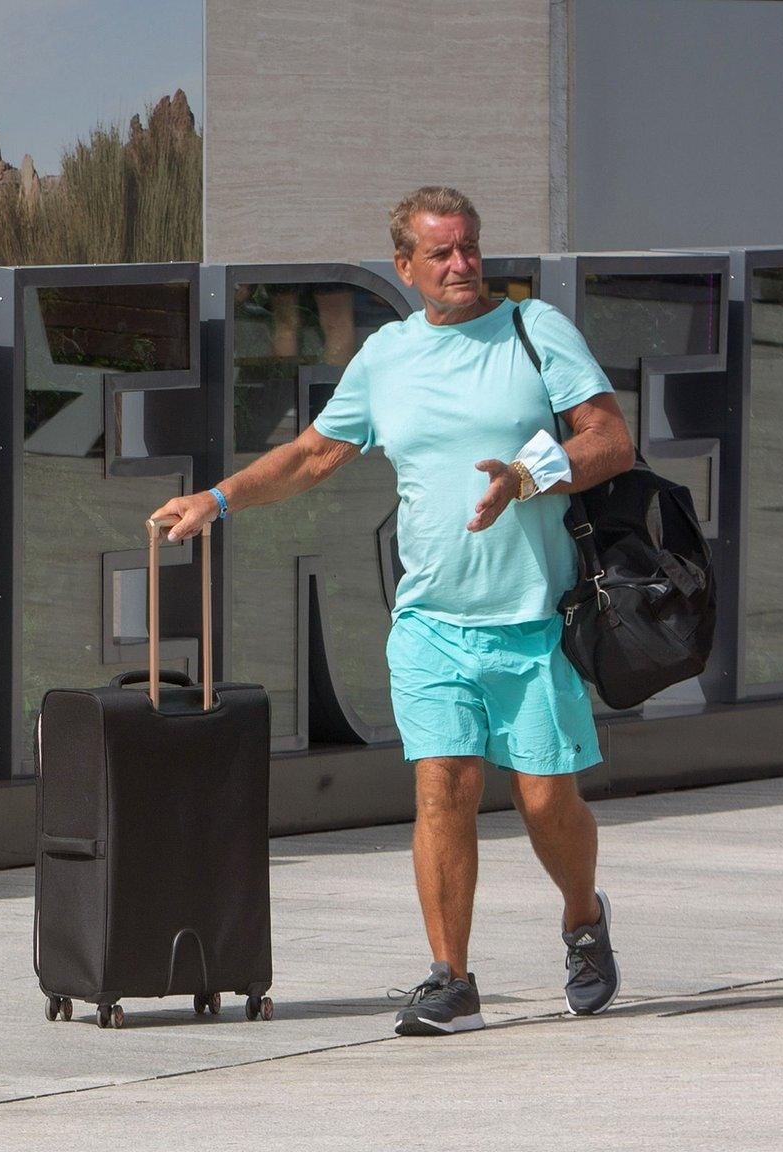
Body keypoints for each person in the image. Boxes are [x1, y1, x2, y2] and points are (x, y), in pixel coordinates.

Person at [152, 186, 636, 1036]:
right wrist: (218, 499)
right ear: (406, 267)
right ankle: (451, 976)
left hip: (530, 618)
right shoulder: (387, 356)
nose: (461, 265)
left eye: (470, 248)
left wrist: (528, 475)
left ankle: (582, 918)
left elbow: (609, 440)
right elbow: (312, 455)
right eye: (441, 254)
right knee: (442, 787)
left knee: (546, 800)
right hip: (428, 621)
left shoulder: (535, 330)